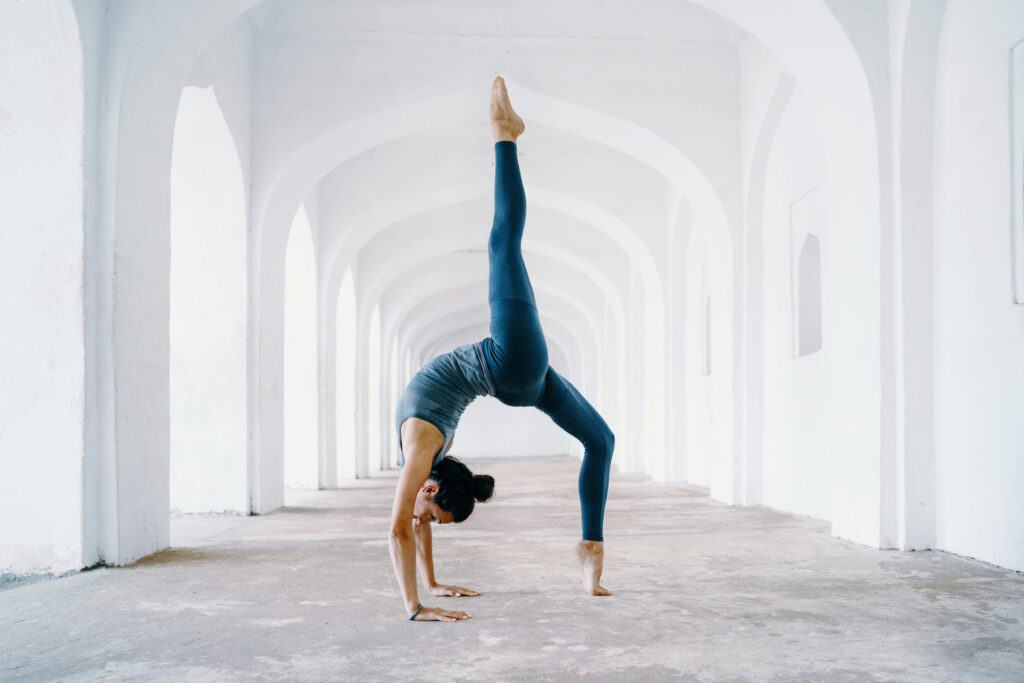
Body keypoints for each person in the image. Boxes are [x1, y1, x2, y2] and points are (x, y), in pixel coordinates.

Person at [388, 76, 616, 623]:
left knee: (602, 440)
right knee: (504, 245)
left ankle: (504, 135)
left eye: (434, 516)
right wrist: (430, 588)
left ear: (432, 486)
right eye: (437, 517)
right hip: (514, 368)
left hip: (514, 367)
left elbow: (399, 526)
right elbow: (416, 521)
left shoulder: (422, 450)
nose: (427, 520)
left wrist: (420, 602)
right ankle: (504, 136)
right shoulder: (427, 466)